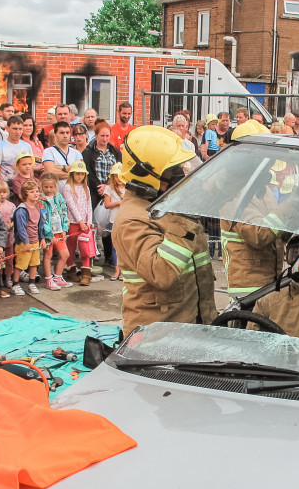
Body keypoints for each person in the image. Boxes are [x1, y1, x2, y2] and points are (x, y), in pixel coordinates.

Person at [112, 126, 216, 336]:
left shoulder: (165, 205)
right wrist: (184, 219)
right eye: (172, 171)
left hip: (193, 325)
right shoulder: (132, 220)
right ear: (147, 174)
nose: (180, 176)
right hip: (157, 337)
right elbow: (163, 274)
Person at [219, 120, 286, 300]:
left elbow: (275, 228)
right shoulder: (233, 193)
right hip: (248, 289)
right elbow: (258, 235)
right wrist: (288, 209)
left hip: (267, 281)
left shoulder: (259, 188)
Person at [61, 160, 95, 285]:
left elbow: (89, 205)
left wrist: (89, 222)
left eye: (82, 174)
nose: (80, 176)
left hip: (85, 224)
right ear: (72, 174)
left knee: (85, 248)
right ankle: (71, 270)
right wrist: (80, 221)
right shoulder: (68, 187)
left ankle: (86, 273)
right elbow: (71, 206)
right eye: (77, 174)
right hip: (74, 222)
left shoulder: (86, 188)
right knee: (71, 246)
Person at [11, 178, 47, 296]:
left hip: (35, 241)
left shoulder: (38, 208)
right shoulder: (22, 210)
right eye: (32, 192)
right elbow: (21, 228)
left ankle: (32, 283)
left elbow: (40, 225)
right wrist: (25, 242)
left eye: (37, 191)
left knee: (34, 263)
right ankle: (15, 284)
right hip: (24, 243)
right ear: (25, 194)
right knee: (21, 264)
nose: (36, 194)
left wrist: (42, 238)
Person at [39, 173, 73, 290]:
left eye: (51, 187)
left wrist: (64, 229)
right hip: (49, 234)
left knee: (65, 254)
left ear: (55, 186)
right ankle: (49, 279)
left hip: (59, 231)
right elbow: (43, 219)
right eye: (46, 187)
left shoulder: (58, 198)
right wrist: (49, 235)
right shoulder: (41, 200)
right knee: (48, 255)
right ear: (42, 187)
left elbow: (63, 213)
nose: (48, 189)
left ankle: (58, 277)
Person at [0, 115, 33, 182]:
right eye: (14, 129)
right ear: (7, 129)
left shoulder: (27, 146)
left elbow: (30, 169)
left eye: (20, 129)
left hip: (24, 185)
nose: (18, 132)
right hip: (6, 186)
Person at [99, 163, 125, 279]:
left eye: (120, 176)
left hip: (126, 220)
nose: (118, 179)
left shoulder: (129, 188)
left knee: (125, 247)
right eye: (116, 176)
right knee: (115, 246)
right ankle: (116, 269)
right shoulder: (109, 189)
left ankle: (124, 270)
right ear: (112, 177)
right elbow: (107, 204)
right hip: (114, 220)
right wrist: (119, 203)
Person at [0, 180, 16, 290]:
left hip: (9, 237)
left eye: (4, 192)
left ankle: (8, 277)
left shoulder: (11, 205)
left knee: (9, 258)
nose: (1, 195)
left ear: (8, 193)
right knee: (0, 259)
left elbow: (13, 219)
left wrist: (11, 225)